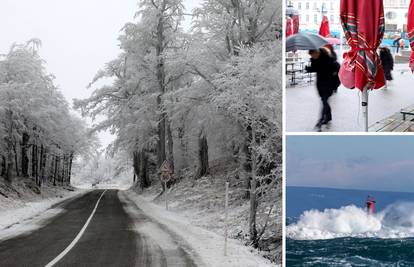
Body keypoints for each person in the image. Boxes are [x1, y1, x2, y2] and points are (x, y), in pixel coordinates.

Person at [306, 47, 341, 130]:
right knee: (324, 101)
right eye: (311, 55)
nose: (312, 57)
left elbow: (337, 67)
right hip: (320, 84)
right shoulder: (314, 60)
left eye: (313, 55)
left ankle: (321, 120)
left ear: (317, 52)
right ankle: (328, 117)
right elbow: (316, 69)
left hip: (329, 84)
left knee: (324, 101)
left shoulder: (328, 58)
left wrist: (334, 72)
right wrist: (308, 68)